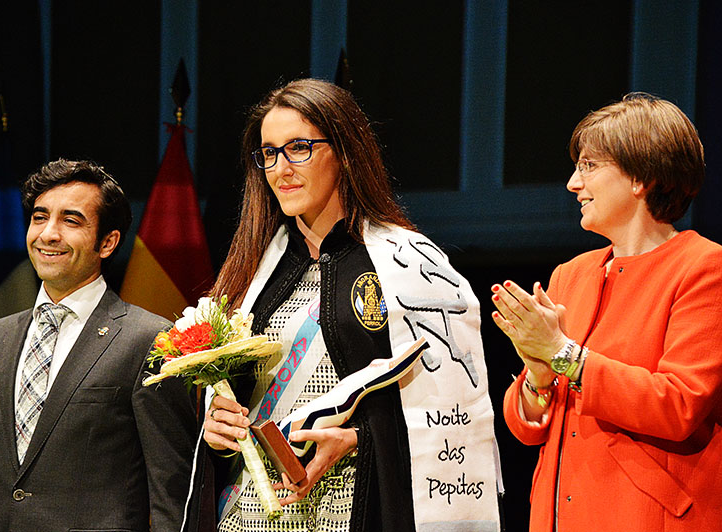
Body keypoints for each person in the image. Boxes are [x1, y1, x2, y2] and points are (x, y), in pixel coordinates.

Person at [182, 79, 502, 532]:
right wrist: (215, 428)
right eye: (269, 153)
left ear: (345, 151)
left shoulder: (410, 264)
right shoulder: (253, 271)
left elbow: (450, 414)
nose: (281, 169)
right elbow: (232, 401)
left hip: (352, 506)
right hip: (247, 512)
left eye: (298, 148)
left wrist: (357, 439)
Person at [491, 93, 722, 531]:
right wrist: (537, 372)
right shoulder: (570, 276)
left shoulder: (707, 269)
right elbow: (527, 429)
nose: (574, 183)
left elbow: (679, 405)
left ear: (640, 177)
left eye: (589, 166)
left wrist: (562, 354)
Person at [0, 159, 197, 531]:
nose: (48, 234)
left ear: (107, 242)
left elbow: (172, 489)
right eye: (39, 217)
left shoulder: (149, 339)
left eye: (70, 221)